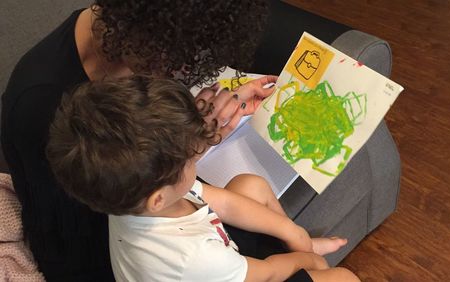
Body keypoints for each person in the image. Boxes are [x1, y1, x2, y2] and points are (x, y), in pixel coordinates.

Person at [1, 1, 274, 280]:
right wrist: (184, 149)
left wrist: (191, 135)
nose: (178, 69)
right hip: (106, 242)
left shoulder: (126, 39)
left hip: (146, 202)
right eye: (170, 53)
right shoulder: (43, 105)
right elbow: (84, 228)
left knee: (256, 209)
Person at [46, 75, 359, 282]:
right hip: (230, 271)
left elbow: (225, 201)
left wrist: (291, 231)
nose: (199, 151)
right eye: (190, 158)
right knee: (342, 278)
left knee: (251, 184)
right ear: (158, 198)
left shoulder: (136, 195)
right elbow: (265, 274)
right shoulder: (190, 257)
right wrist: (304, 259)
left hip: (217, 257)